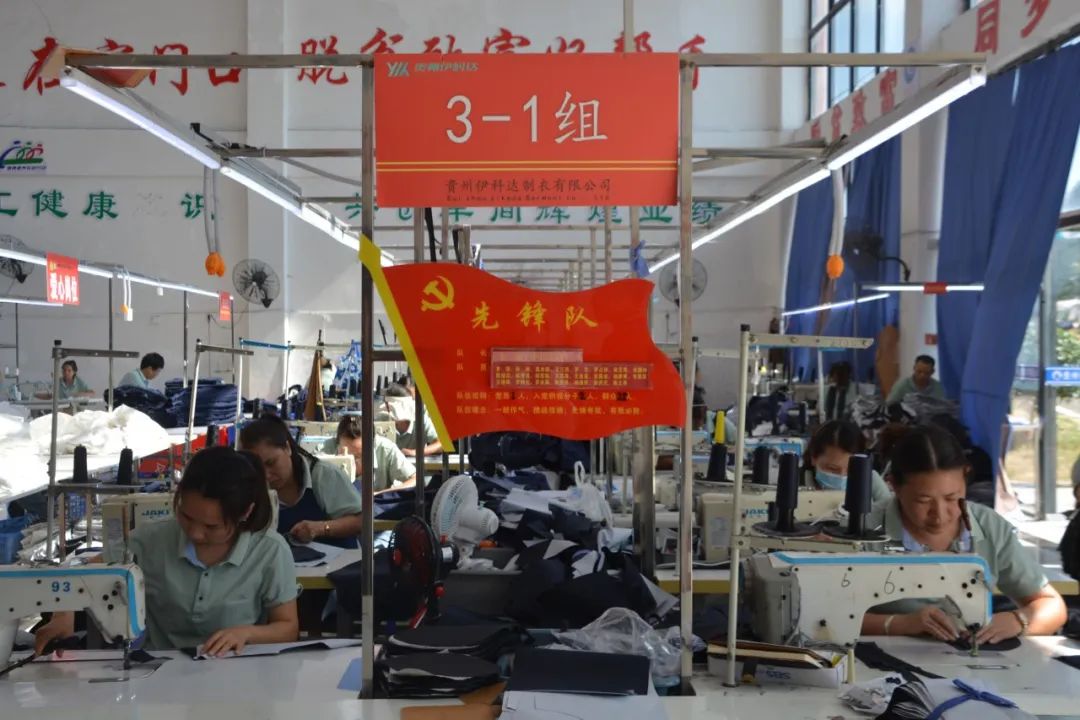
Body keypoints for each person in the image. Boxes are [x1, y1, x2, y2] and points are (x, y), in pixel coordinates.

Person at [34, 447, 299, 656]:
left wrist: (246, 634)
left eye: (211, 526)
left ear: (245, 512)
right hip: (161, 670)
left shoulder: (270, 551)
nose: (195, 533)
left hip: (238, 673)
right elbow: (83, 576)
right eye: (186, 516)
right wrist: (63, 616)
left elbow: (288, 627)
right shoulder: (151, 540)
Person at [862, 426, 1066, 643]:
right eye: (923, 501)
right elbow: (833, 618)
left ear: (966, 477)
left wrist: (1018, 620)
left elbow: (1052, 606)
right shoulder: (861, 530)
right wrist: (899, 624)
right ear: (894, 486)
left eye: (952, 498)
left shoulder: (989, 527)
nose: (939, 514)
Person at [240, 415, 363, 548]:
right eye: (257, 467)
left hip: (342, 559)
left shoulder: (323, 475)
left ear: (287, 448)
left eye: (271, 463)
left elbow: (361, 521)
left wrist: (320, 528)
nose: (266, 474)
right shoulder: (250, 485)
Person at [804, 420, 891, 503]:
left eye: (850, 470)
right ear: (813, 458)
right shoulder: (797, 484)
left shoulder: (871, 482)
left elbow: (888, 507)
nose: (842, 477)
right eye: (833, 469)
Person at [335, 415, 417, 493]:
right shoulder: (327, 449)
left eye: (359, 456)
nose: (353, 463)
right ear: (336, 444)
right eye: (347, 456)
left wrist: (379, 494)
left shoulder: (386, 449)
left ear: (373, 445)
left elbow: (415, 479)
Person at [382, 383, 442, 457]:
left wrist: (416, 452)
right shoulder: (381, 419)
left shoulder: (421, 420)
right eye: (387, 405)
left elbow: (440, 444)